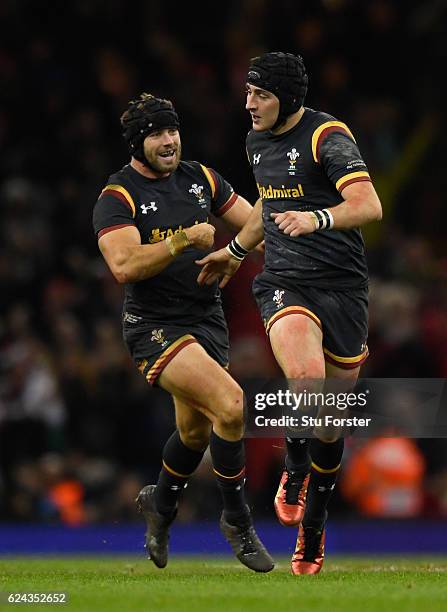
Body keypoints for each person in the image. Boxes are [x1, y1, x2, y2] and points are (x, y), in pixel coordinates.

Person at [197, 52, 382, 574]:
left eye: (261, 95)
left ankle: (314, 526)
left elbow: (369, 205)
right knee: (306, 379)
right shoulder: (257, 140)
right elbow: (267, 204)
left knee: (330, 423)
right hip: (284, 282)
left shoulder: (328, 137)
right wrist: (235, 253)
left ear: (289, 99)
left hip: (343, 288)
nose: (249, 104)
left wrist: (318, 218)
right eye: (248, 93)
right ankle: (294, 468)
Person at [92, 93, 274, 573]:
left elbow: (256, 218)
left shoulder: (202, 178)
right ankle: (237, 520)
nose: (168, 140)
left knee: (194, 431)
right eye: (156, 133)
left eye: (171, 130)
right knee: (232, 405)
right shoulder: (118, 196)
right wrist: (181, 240)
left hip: (205, 319)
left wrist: (238, 246)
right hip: (153, 325)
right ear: (137, 142)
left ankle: (162, 506)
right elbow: (124, 265)